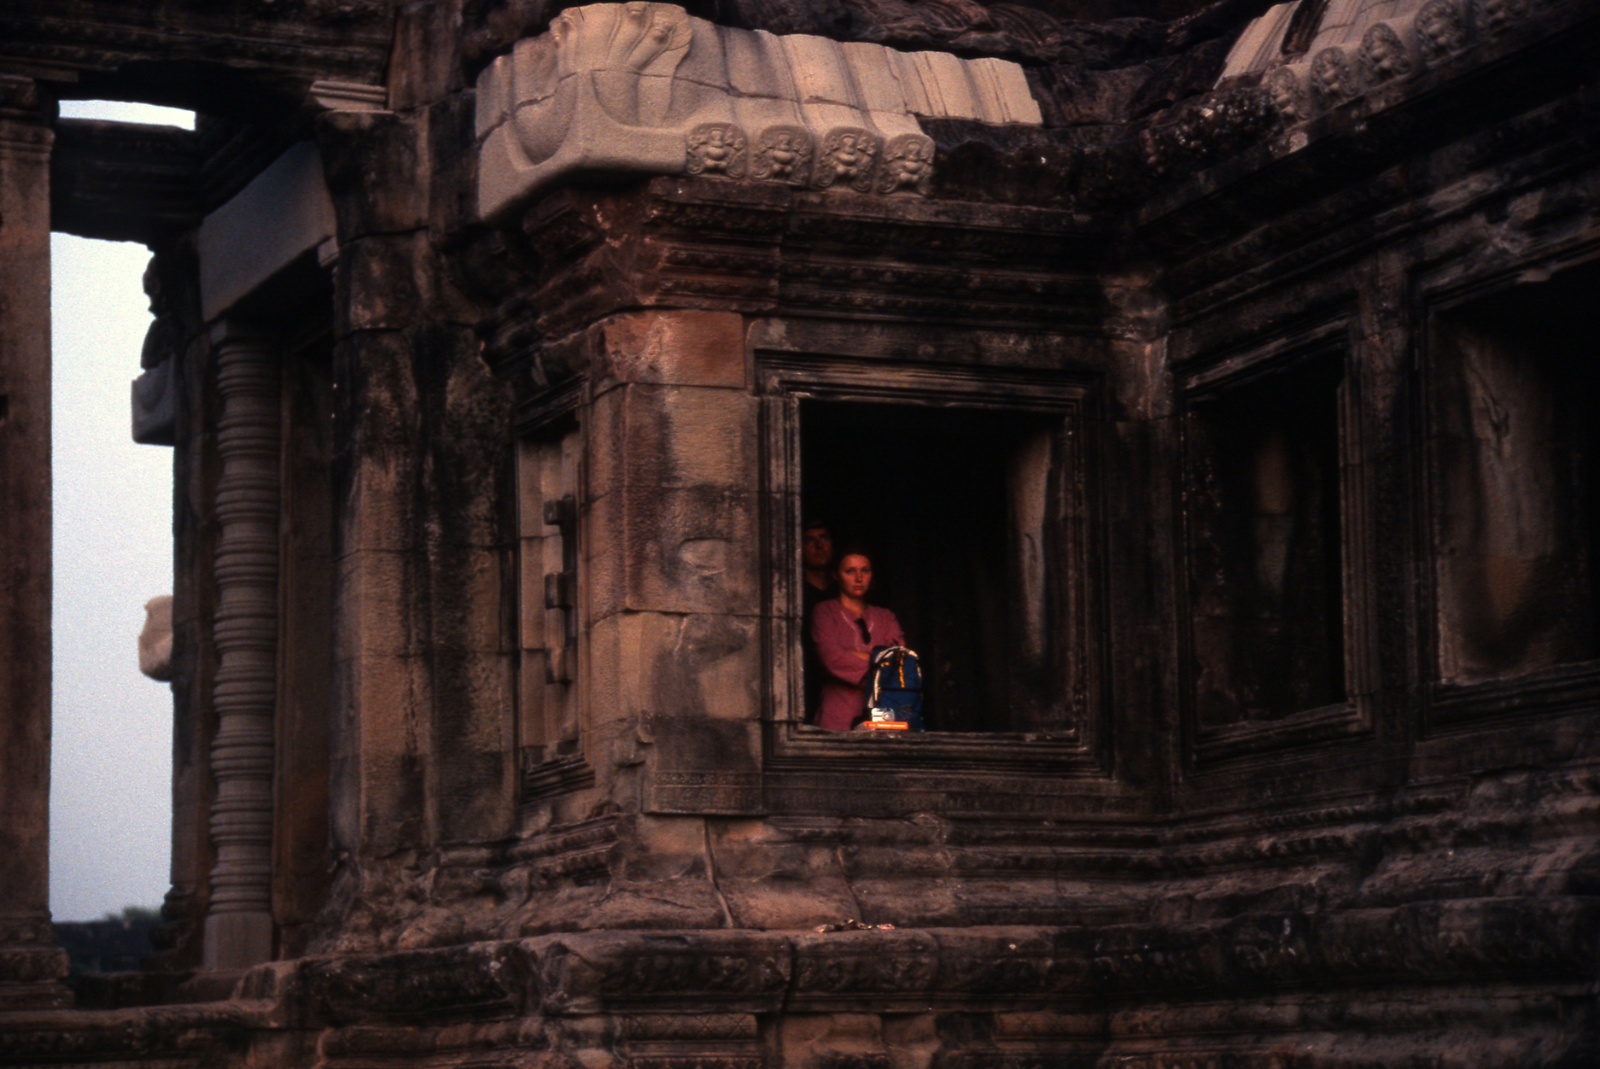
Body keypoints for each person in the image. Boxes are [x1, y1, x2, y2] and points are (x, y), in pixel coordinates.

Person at [810, 549, 905, 731]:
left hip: (882, 715)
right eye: (850, 571)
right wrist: (878, 660)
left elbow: (898, 662)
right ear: (837, 575)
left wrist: (857, 655)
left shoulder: (885, 617)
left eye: (865, 570)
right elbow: (832, 658)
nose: (859, 578)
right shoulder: (824, 612)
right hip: (837, 713)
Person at [800, 520, 835, 720]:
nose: (819, 546)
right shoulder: (794, 593)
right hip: (807, 679)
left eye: (824, 538)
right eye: (810, 540)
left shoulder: (846, 590)